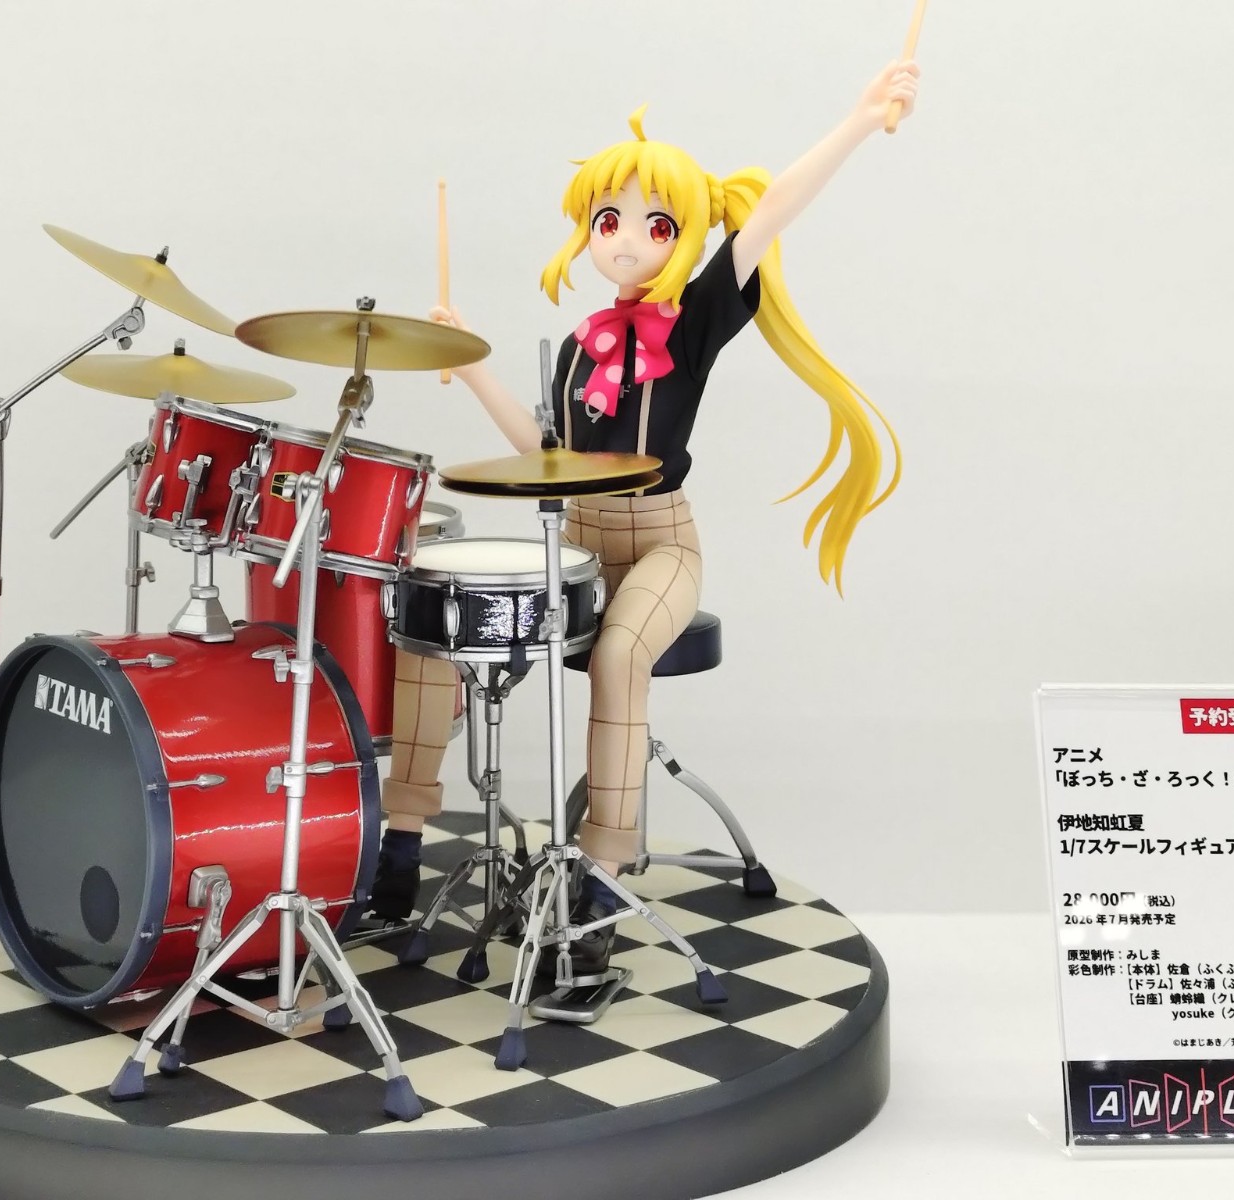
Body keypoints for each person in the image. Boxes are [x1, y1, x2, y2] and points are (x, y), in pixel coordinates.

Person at [370, 60, 919, 973]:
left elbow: (771, 212)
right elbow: (546, 452)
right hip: (578, 545)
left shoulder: (695, 318)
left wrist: (860, 120)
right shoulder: (581, 347)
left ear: (685, 235)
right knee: (433, 615)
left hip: (661, 543)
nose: (626, 239)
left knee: (621, 655)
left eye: (656, 225)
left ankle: (601, 873)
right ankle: (402, 833)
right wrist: (471, 367)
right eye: (609, 220)